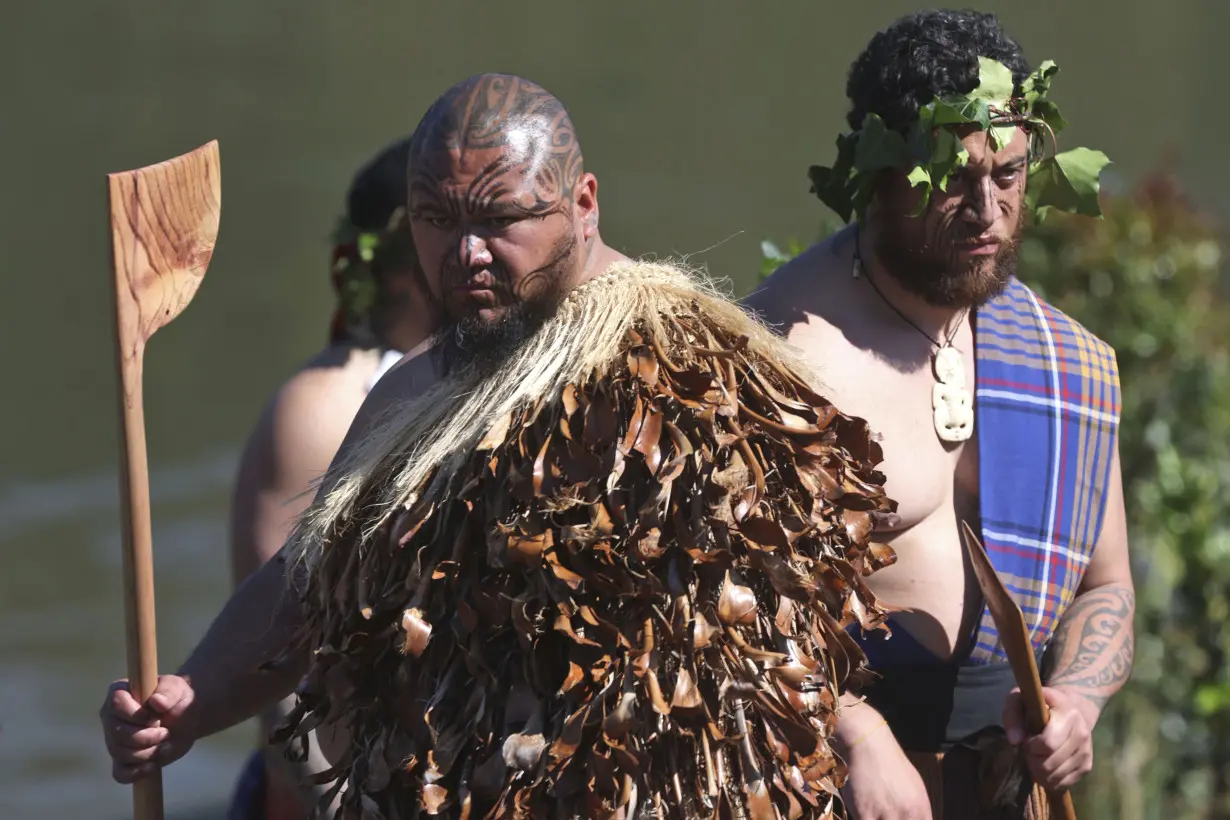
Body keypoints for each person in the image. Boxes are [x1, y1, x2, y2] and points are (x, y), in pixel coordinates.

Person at [101, 73, 897, 818]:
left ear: (583, 204)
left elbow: (788, 629)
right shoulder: (416, 392)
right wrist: (191, 697)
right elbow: (312, 585)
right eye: (438, 222)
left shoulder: (693, 372)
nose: (467, 254)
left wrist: (860, 733)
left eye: (500, 219)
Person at [745, 9, 1135, 819]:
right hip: (824, 786)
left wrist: (1079, 701)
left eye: (1010, 174)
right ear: (878, 174)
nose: (987, 210)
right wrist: (852, 731)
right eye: (953, 178)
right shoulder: (785, 354)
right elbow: (706, 599)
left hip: (1005, 794)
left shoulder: (1068, 361)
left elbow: (1108, 586)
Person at [224, 137, 439, 820]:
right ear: (405, 266)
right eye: (454, 226)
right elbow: (280, 672)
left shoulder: (479, 382)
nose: (482, 250)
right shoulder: (323, 408)